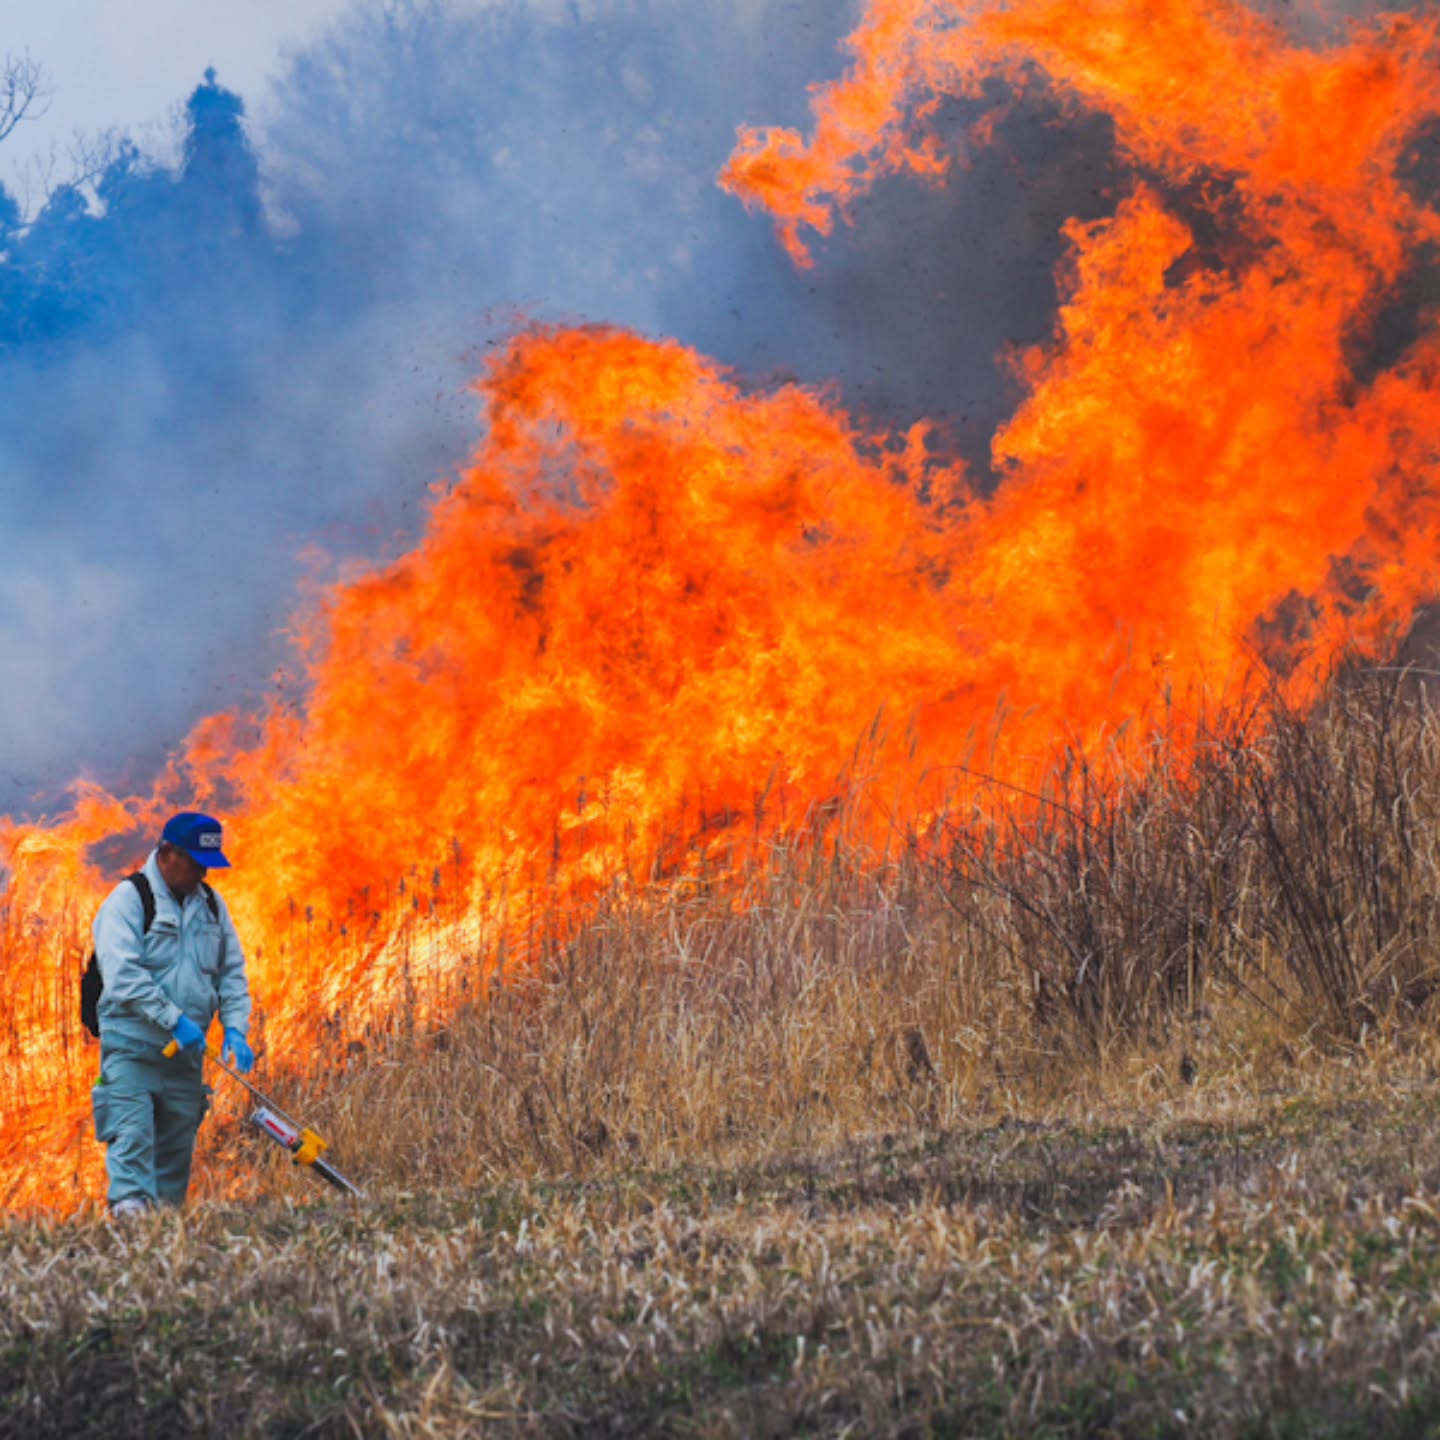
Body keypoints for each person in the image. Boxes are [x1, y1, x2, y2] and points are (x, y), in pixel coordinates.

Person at [90, 811, 254, 1217]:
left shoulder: (212, 906)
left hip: (185, 1059)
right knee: (131, 1143)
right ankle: (127, 1237)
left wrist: (236, 1028)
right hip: (132, 1050)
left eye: (208, 866)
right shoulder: (129, 901)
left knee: (172, 1167)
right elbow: (122, 975)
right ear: (167, 853)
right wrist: (172, 1018)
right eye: (196, 863)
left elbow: (232, 974)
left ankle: (164, 1258)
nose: (202, 874)